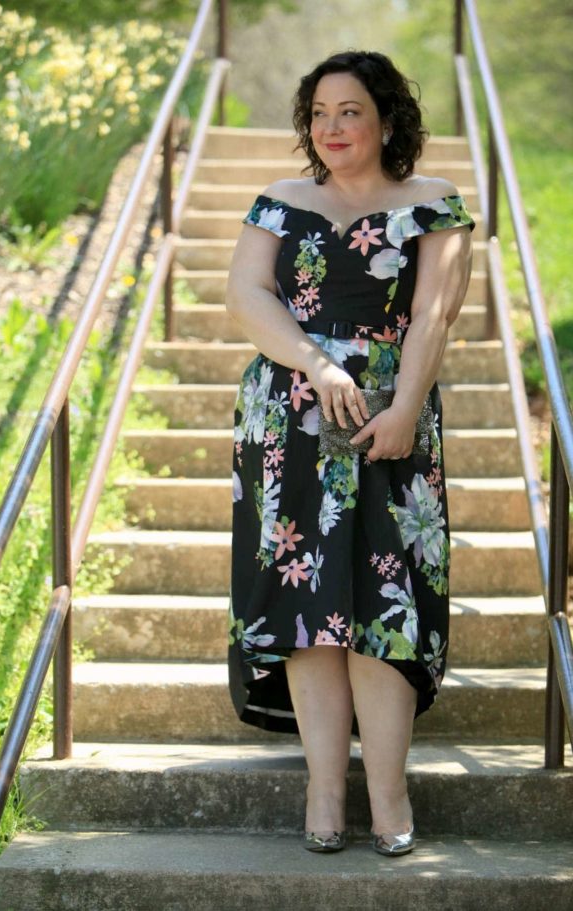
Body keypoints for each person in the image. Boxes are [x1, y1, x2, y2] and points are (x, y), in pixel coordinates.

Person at [225, 49, 475, 855]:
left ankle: (389, 793)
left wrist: (404, 406)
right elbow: (247, 295)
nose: (331, 128)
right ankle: (325, 792)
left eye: (350, 111)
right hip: (290, 420)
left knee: (384, 603)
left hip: (389, 422)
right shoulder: (279, 201)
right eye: (319, 114)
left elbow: (433, 316)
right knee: (312, 614)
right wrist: (316, 360)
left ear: (387, 119)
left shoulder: (434, 203)